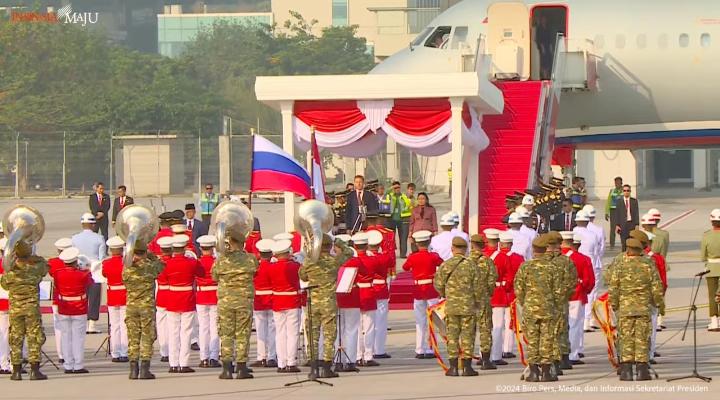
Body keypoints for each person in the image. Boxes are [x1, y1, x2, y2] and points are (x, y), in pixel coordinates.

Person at [607, 238, 664, 381]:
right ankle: (642, 370)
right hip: (643, 308)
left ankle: (626, 370)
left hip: (625, 308)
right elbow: (657, 288)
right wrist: (659, 304)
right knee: (642, 338)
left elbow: (613, 287)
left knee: (625, 338)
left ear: (628, 249)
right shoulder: (648, 264)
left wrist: (615, 305)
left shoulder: (620, 265)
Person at [298, 234, 354, 378]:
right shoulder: (334, 261)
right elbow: (349, 252)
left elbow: (302, 276)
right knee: (329, 335)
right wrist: (338, 241)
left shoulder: (309, 261)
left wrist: (310, 252)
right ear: (329, 247)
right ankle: (327, 367)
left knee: (312, 335)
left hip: (313, 302)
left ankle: (314, 368)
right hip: (328, 302)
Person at [513, 235, 558, 382]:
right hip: (547, 309)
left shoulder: (525, 267)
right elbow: (559, 291)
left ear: (533, 250)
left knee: (532, 340)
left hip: (530, 308)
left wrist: (525, 302)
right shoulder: (552, 267)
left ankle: (533, 372)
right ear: (546, 249)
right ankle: (546, 372)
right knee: (547, 340)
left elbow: (518, 289)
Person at [1, 241, 48, 381]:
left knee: (16, 338)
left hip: (15, 309)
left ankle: (16, 371)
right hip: (31, 309)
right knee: (34, 337)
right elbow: (45, 268)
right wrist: (34, 258)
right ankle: (35, 371)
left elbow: (4, 284)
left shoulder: (11, 271)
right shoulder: (35, 267)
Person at [213, 232, 258, 379]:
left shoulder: (222, 259)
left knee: (226, 334)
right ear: (243, 243)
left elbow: (214, 276)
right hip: (244, 301)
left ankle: (226, 368)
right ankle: (241, 367)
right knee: (242, 334)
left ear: (230, 243)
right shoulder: (250, 259)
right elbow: (256, 272)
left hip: (226, 301)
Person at [434, 237, 479, 377]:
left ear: (452, 249)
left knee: (452, 336)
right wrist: (476, 301)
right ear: (465, 250)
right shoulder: (471, 265)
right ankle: (467, 367)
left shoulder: (445, 265)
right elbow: (478, 287)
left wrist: (445, 294)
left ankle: (453, 367)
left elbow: (438, 284)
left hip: (451, 305)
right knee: (468, 336)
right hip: (468, 306)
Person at [163, 235, 203, 374]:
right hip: (187, 299)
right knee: (186, 332)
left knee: (173, 332)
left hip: (172, 298)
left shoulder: (167, 263)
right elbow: (201, 273)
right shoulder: (191, 262)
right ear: (184, 248)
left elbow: (163, 278)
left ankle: (173, 363)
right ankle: (183, 363)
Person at [124, 244, 164, 380]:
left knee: (133, 337)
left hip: (131, 306)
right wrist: (150, 255)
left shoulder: (127, 268)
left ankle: (133, 369)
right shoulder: (150, 267)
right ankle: (145, 369)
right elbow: (162, 266)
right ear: (144, 253)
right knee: (147, 336)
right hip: (146, 306)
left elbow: (123, 280)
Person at [50, 247, 93, 374]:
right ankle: (78, 364)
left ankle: (68, 365)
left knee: (65, 336)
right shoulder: (83, 274)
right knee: (78, 337)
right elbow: (90, 283)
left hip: (64, 306)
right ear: (75, 262)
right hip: (79, 307)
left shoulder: (58, 273)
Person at [402, 230, 443, 359]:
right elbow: (442, 264)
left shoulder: (413, 257)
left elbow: (405, 267)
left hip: (418, 289)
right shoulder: (433, 256)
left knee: (420, 321)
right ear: (429, 241)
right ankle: (430, 347)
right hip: (431, 289)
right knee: (432, 320)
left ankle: (419, 348)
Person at [559, 232, 594, 365]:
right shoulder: (582, 259)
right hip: (577, 295)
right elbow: (589, 280)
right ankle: (572, 355)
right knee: (575, 326)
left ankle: (560, 353)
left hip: (559, 296)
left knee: (560, 325)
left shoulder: (555, 258)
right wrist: (585, 290)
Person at [268, 239, 302, 373]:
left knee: (280, 333)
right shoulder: (295, 266)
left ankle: (281, 363)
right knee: (292, 333)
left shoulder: (271, 267)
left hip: (277, 300)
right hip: (292, 300)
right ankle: (291, 362)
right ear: (288, 252)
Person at [546, 231, 577, 375]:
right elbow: (572, 282)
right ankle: (563, 358)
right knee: (562, 329)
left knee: (547, 331)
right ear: (559, 244)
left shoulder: (541, 261)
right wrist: (564, 295)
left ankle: (550, 359)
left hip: (544, 302)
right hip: (561, 301)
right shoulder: (566, 261)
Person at [347, 232, 380, 367]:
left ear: (354, 246)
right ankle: (368, 355)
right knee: (369, 327)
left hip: (356, 292)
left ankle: (358, 355)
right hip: (369, 292)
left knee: (357, 326)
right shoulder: (373, 259)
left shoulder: (352, 261)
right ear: (366, 246)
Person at [71, 213, 106, 335]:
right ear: (93, 224)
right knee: (94, 297)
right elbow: (102, 257)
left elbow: (73, 255)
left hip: (80, 270)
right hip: (94, 270)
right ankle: (92, 324)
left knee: (82, 297)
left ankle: (82, 323)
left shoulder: (74, 238)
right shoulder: (99, 238)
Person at [468, 234, 498, 370]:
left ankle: (466, 360)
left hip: (467, 301)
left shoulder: (465, 262)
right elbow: (492, 282)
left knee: (468, 330)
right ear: (483, 245)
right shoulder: (487, 261)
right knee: (485, 329)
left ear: (471, 244)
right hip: (483, 300)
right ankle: (485, 359)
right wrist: (487, 294)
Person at [101, 236, 129, 363]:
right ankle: (124, 351)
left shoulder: (106, 263)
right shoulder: (126, 263)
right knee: (124, 325)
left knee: (114, 325)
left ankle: (115, 352)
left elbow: (104, 274)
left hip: (112, 295)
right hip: (124, 295)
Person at [195, 235, 220, 368]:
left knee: (203, 328)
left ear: (200, 248)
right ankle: (214, 357)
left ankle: (204, 357)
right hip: (215, 295)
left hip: (201, 295)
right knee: (215, 328)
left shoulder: (197, 262)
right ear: (212, 248)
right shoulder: (217, 262)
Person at [367, 231, 393, 359]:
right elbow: (391, 262)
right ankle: (379, 349)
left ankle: (369, 350)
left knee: (368, 322)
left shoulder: (367, 257)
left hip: (370, 289)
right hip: (381, 289)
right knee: (381, 321)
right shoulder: (384, 256)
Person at [498, 232, 524, 359]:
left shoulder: (494, 257)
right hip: (512, 292)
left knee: (496, 323)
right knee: (510, 322)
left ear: (500, 244)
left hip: (497, 293)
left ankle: (496, 349)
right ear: (511, 244)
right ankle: (507, 348)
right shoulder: (518, 258)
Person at [49, 238, 73, 364]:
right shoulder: (76, 261)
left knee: (59, 328)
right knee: (71, 329)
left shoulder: (53, 262)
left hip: (57, 299)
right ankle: (70, 353)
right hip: (74, 300)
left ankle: (61, 354)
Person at [155, 236, 174, 363]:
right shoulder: (172, 262)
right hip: (173, 294)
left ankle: (164, 352)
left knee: (162, 325)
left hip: (161, 293)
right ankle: (172, 351)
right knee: (173, 326)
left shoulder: (157, 264)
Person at [381, 181, 412, 258]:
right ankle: (392, 254)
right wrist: (390, 189)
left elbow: (410, 204)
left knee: (403, 238)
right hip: (391, 220)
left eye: (398, 187)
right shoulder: (389, 196)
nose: (397, 189)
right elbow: (383, 197)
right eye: (395, 188)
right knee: (391, 238)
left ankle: (403, 254)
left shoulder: (403, 196)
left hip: (403, 219)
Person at [701, 209, 720, 331]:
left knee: (712, 295)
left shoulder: (707, 235)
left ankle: (714, 322)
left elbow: (703, 255)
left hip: (711, 269)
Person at [614, 184, 639, 251]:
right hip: (623, 225)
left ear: (630, 191)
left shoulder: (634, 201)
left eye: (628, 190)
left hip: (631, 223)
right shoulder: (619, 202)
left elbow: (636, 213)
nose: (626, 192)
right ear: (623, 191)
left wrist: (637, 224)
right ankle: (624, 256)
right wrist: (617, 225)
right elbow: (617, 214)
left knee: (632, 242)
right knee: (624, 242)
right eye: (624, 190)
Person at [605, 177, 624, 248]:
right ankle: (611, 244)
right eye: (616, 183)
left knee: (622, 228)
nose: (617, 184)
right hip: (613, 211)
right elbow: (608, 202)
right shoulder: (612, 191)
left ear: (621, 183)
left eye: (618, 183)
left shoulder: (624, 191)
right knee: (612, 228)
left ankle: (623, 243)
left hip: (622, 211)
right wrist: (606, 212)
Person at [0, 238, 10, 375]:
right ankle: (7, 363)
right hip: (8, 302)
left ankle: (3, 362)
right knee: (8, 335)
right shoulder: (9, 266)